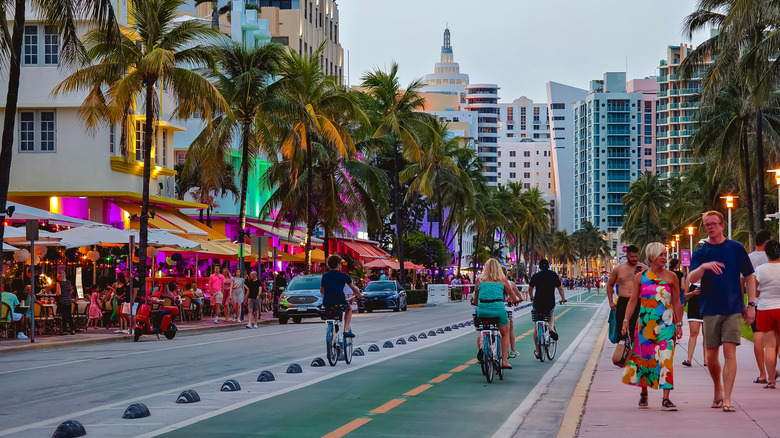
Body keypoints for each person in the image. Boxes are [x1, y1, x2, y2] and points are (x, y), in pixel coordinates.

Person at [688, 210, 756, 413]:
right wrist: (705, 267)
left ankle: (727, 397)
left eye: (713, 224)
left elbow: (750, 276)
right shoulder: (701, 253)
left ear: (722, 225)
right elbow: (691, 278)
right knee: (710, 357)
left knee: (729, 352)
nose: (709, 227)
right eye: (707, 224)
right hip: (709, 309)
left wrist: (750, 304)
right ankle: (717, 386)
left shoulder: (736, 248)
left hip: (733, 308)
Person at [621, 242, 683, 411]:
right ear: (651, 257)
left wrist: (679, 324)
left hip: (667, 325)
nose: (664, 257)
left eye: (665, 254)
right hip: (645, 325)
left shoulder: (672, 277)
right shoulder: (640, 277)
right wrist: (626, 321)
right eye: (660, 254)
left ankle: (666, 398)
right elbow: (633, 300)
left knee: (666, 359)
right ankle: (644, 392)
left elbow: (677, 302)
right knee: (645, 360)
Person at [471, 259, 521, 369]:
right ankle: (504, 361)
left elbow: (475, 295)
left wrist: (475, 302)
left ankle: (482, 347)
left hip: (482, 310)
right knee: (505, 332)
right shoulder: (502, 280)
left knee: (483, 329)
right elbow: (511, 294)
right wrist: (515, 300)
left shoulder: (480, 279)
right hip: (498, 309)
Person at [753, 239, 780, 389]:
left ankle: (771, 380)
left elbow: (755, 291)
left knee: (769, 346)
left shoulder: (760, 269)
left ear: (766, 253)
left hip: (765, 308)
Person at [746, 229, 771, 384]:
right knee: (774, 339)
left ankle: (762, 373)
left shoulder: (749, 258)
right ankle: (772, 369)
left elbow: (742, 280)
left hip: (756, 302)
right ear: (767, 241)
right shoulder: (774, 258)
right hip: (773, 302)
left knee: (757, 336)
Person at [607, 245, 646, 343]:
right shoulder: (619, 269)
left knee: (635, 329)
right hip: (623, 301)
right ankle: (622, 353)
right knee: (621, 329)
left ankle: (634, 352)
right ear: (627, 256)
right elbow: (609, 285)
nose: (634, 259)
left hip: (638, 302)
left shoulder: (643, 268)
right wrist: (611, 302)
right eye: (632, 257)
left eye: (636, 257)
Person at [529, 259, 566, 359]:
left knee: (536, 325)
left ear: (539, 267)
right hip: (549, 302)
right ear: (548, 266)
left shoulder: (536, 276)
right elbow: (560, 288)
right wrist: (563, 298)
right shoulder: (553, 275)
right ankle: (551, 328)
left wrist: (531, 297)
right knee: (550, 315)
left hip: (538, 303)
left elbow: (530, 288)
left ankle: (537, 350)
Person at [320, 255, 363, 337]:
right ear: (338, 264)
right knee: (349, 309)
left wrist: (327, 296)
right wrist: (360, 295)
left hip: (327, 303)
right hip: (340, 301)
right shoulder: (344, 276)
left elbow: (322, 291)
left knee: (330, 314)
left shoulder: (325, 276)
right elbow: (354, 289)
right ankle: (346, 330)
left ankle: (331, 332)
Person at [682, 283, 706, 367]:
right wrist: (693, 293)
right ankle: (689, 359)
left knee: (706, 334)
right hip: (693, 308)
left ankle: (706, 360)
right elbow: (685, 295)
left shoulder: (709, 275)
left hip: (706, 308)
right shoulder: (691, 277)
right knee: (693, 333)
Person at [49, 270, 76, 335]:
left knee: (64, 316)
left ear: (59, 276)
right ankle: (72, 329)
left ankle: (64, 330)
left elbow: (59, 293)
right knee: (69, 315)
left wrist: (54, 294)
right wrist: (67, 294)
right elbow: (71, 290)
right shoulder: (68, 282)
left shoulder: (59, 283)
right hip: (69, 300)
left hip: (62, 301)